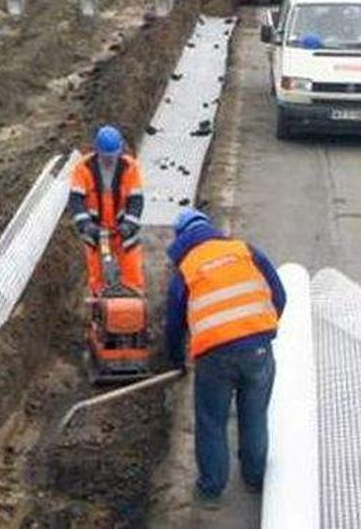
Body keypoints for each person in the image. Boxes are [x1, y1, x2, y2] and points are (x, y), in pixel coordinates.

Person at [164, 208, 286, 505]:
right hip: (258, 350)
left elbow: (174, 323)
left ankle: (210, 490)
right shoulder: (245, 251)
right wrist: (260, 330)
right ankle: (255, 480)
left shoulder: (187, 267)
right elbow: (279, 295)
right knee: (255, 416)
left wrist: (177, 360)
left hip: (214, 357)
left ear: (182, 239)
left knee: (212, 422)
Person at [68, 126, 146, 294]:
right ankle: (99, 305)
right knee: (97, 273)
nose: (110, 160)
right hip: (95, 229)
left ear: (120, 150)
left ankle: (133, 299)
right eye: (106, 157)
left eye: (113, 156)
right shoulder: (83, 168)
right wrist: (86, 225)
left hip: (123, 228)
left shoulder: (130, 167)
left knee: (132, 266)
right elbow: (76, 200)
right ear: (97, 151)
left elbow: (136, 199)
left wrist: (129, 225)